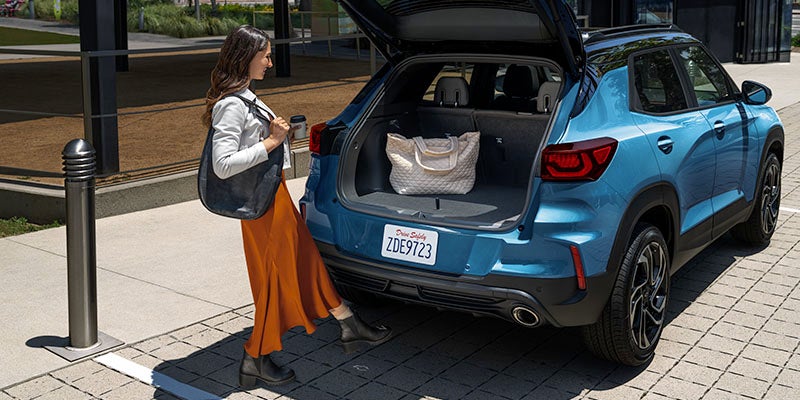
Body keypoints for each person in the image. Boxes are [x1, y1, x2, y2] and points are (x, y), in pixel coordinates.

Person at [201, 25, 391, 387]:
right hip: (261, 207)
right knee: (274, 277)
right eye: (265, 56)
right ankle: (255, 356)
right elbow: (222, 164)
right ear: (246, 57)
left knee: (305, 259)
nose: (270, 63)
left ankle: (348, 322)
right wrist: (273, 142)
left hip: (274, 196)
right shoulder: (231, 105)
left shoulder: (245, 97)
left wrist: (278, 137)